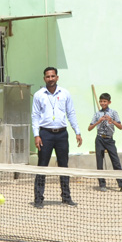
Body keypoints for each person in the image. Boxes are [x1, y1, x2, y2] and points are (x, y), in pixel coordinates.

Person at [31, 66, 81, 208]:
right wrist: (36, 135)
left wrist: (77, 131)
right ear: (44, 78)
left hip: (62, 134)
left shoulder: (65, 93)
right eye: (48, 76)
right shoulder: (38, 95)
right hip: (45, 134)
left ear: (57, 77)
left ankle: (66, 197)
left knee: (63, 167)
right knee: (42, 167)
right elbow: (34, 116)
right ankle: (38, 199)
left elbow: (71, 113)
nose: (50, 79)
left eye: (53, 76)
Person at [89, 93, 122, 192]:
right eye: (101, 101)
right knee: (100, 162)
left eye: (105, 101)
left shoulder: (113, 113)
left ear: (109, 102)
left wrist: (112, 121)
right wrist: (98, 122)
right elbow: (89, 128)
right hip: (99, 139)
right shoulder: (97, 114)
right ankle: (102, 184)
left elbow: (120, 127)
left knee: (116, 161)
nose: (103, 103)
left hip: (109, 139)